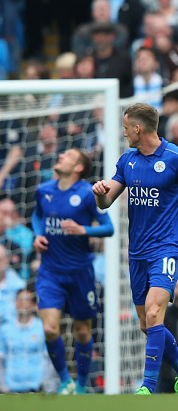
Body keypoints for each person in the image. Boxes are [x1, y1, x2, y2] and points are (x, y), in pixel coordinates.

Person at [92, 103, 178, 395]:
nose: (124, 132)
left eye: (126, 127)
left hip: (165, 249)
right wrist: (101, 195)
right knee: (146, 324)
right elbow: (108, 203)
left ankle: (147, 388)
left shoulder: (177, 158)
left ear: (138, 129)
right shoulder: (127, 160)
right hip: (137, 254)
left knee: (155, 312)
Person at [32, 148, 115, 395]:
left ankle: (81, 384)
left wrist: (84, 231)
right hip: (50, 272)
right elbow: (37, 216)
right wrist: (37, 234)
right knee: (49, 328)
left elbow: (108, 228)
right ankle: (65, 380)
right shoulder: (44, 190)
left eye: (67, 155)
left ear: (79, 167)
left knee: (82, 331)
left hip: (80, 273)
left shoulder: (88, 194)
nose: (61, 156)